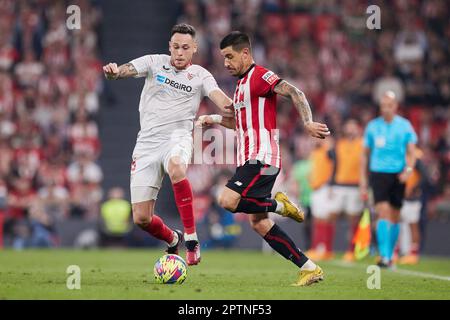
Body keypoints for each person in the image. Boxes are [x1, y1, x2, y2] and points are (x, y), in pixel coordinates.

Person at [196, 31, 330, 286]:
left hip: (263, 156)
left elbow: (294, 92)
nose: (226, 63)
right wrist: (211, 119)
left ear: (245, 53)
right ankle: (309, 267)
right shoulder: (240, 87)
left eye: (229, 56)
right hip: (252, 158)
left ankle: (279, 206)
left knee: (227, 200)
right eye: (223, 58)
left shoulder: (259, 76)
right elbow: (239, 123)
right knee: (258, 222)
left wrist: (308, 121)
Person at [103, 24, 233, 265]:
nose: (179, 53)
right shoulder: (155, 62)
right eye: (175, 47)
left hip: (178, 138)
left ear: (194, 48)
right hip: (147, 144)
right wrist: (114, 72)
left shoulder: (201, 76)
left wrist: (234, 107)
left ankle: (192, 240)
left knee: (177, 167)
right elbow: (127, 69)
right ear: (169, 47)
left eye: (185, 48)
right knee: (141, 219)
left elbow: (220, 99)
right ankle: (174, 238)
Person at [360, 90, 418, 268]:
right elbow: (364, 155)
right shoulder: (372, 126)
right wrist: (363, 180)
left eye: (389, 105)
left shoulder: (405, 126)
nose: (386, 109)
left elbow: (412, 152)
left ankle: (390, 255)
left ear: (396, 106)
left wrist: (408, 170)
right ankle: (385, 256)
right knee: (382, 212)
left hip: (398, 175)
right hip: (378, 174)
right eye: (383, 106)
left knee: (395, 216)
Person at [328, 119, 364, 262]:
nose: (350, 130)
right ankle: (326, 249)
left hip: (355, 185)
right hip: (339, 184)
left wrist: (365, 184)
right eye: (348, 127)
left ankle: (351, 250)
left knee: (353, 219)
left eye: (353, 127)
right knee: (331, 215)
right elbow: (334, 165)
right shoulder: (339, 144)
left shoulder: (363, 144)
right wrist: (331, 184)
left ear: (358, 129)